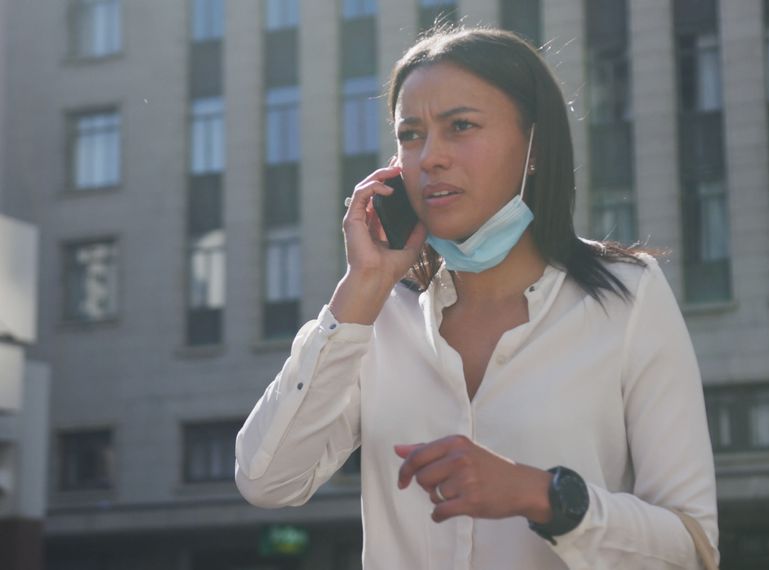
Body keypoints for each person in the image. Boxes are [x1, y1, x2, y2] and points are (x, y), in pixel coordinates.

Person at [235, 27, 719, 569]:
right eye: (411, 135)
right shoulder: (376, 318)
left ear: (533, 147)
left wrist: (543, 495)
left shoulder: (630, 295)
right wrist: (358, 293)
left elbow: (693, 550)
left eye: (460, 126)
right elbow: (266, 480)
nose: (430, 158)